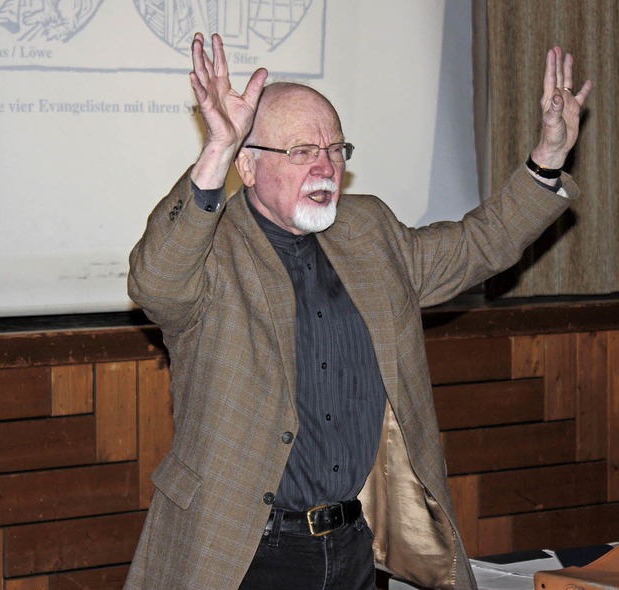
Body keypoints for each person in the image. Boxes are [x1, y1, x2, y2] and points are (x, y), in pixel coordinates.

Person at [124, 32, 592, 590]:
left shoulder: (368, 231)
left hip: (351, 547)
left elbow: (478, 245)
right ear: (246, 167)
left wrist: (548, 159)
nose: (325, 167)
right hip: (241, 552)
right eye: (301, 152)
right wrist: (216, 149)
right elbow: (154, 283)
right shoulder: (210, 247)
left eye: (335, 150)